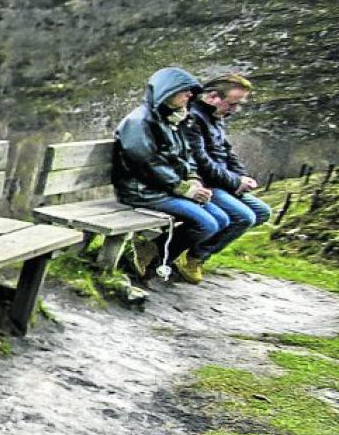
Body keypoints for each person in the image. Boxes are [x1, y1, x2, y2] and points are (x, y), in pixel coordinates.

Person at [113, 66, 227, 284]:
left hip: (164, 188)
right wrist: (184, 189)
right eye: (185, 90)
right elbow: (147, 165)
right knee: (208, 224)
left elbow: (187, 156)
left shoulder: (172, 120)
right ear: (168, 91)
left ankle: (153, 256)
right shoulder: (139, 122)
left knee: (221, 219)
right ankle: (152, 255)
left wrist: (193, 178)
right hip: (142, 191)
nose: (190, 95)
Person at [180, 72, 272, 276]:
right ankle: (195, 256)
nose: (235, 110)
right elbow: (201, 162)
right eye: (232, 104)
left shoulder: (216, 117)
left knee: (263, 212)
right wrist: (235, 181)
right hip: (205, 183)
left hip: (222, 181)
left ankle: (193, 250)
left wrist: (242, 177)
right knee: (244, 217)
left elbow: (227, 152)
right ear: (213, 96)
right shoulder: (193, 118)